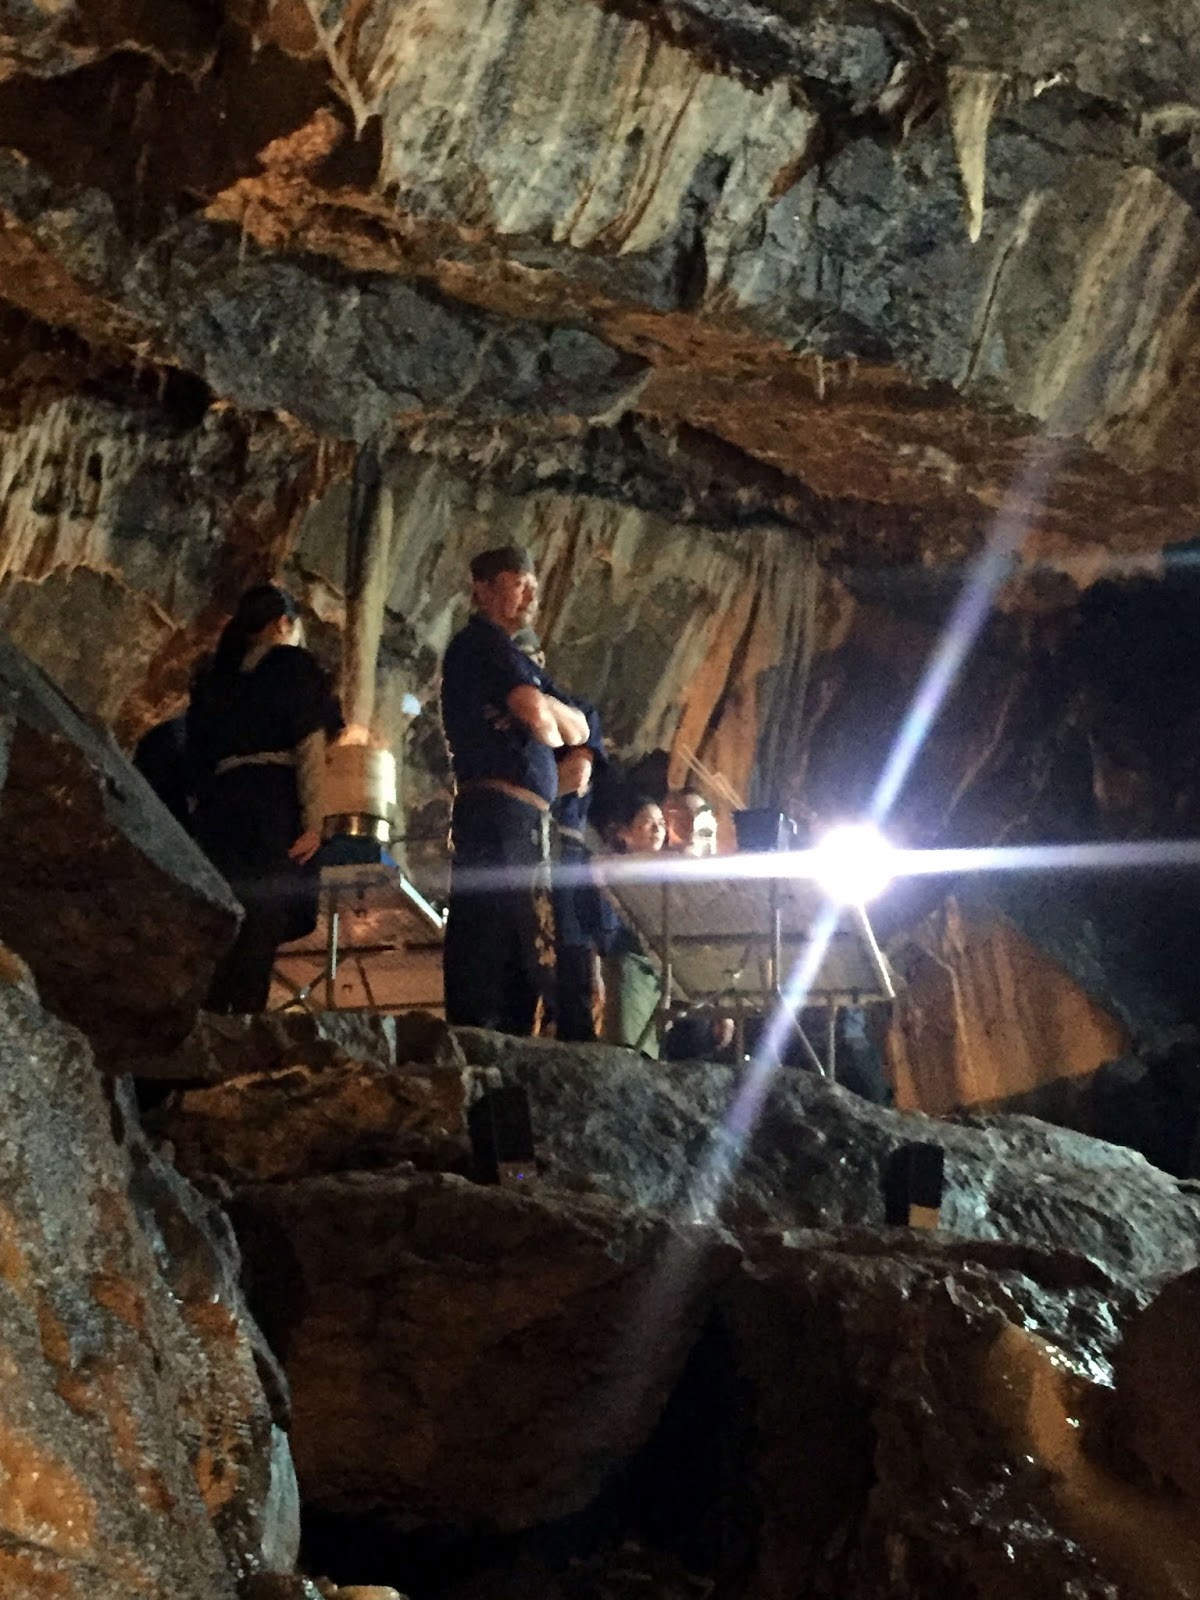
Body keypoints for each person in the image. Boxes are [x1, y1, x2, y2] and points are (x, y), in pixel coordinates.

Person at [440, 545, 589, 1034]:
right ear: (484, 590)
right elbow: (542, 723)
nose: (530, 596)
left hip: (527, 820)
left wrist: (544, 707)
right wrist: (542, 711)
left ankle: (511, 1038)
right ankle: (480, 1037)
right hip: (496, 811)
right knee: (490, 932)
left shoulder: (516, 659)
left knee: (525, 943)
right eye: (519, 582)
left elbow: (581, 730)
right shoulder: (480, 645)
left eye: (534, 586)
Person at [187, 584, 343, 1013]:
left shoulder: (216, 678)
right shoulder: (293, 665)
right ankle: (245, 1024)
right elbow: (309, 746)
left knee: (225, 919)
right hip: (272, 805)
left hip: (220, 807)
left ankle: (209, 1019)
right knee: (263, 917)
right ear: (283, 624)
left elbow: (194, 759)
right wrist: (314, 822)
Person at [600, 795, 667, 1054]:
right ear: (625, 832)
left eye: (661, 822)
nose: (658, 828)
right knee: (630, 1047)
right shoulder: (611, 873)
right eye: (648, 822)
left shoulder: (667, 873)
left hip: (660, 974)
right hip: (629, 966)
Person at [663, 788, 718, 856]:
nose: (694, 821)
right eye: (685, 816)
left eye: (699, 815)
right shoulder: (655, 859)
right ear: (667, 819)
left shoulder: (715, 860)